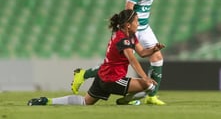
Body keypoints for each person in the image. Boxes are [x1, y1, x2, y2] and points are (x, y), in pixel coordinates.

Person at [71, 0, 171, 105]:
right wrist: (129, 30)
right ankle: (85, 75)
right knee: (120, 62)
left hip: (144, 27)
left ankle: (151, 95)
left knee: (157, 57)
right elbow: (129, 6)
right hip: (135, 28)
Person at [28, 9, 165, 106]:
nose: (138, 23)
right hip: (113, 79)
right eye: (136, 21)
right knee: (150, 86)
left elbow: (142, 53)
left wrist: (153, 49)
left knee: (85, 102)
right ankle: (125, 101)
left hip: (102, 76)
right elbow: (133, 60)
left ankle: (47, 101)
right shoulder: (123, 40)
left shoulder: (128, 35)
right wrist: (145, 77)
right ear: (128, 25)